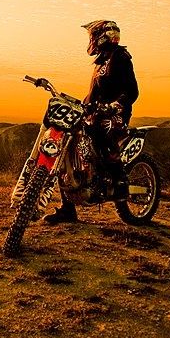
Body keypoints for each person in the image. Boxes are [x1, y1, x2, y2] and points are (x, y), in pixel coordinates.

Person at [43, 19, 139, 225]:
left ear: (102, 36)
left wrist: (115, 105)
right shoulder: (101, 61)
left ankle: (120, 181)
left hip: (114, 114)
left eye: (93, 36)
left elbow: (132, 91)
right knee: (67, 148)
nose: (91, 40)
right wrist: (82, 105)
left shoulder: (120, 58)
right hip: (96, 112)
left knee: (102, 136)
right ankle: (68, 208)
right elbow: (93, 94)